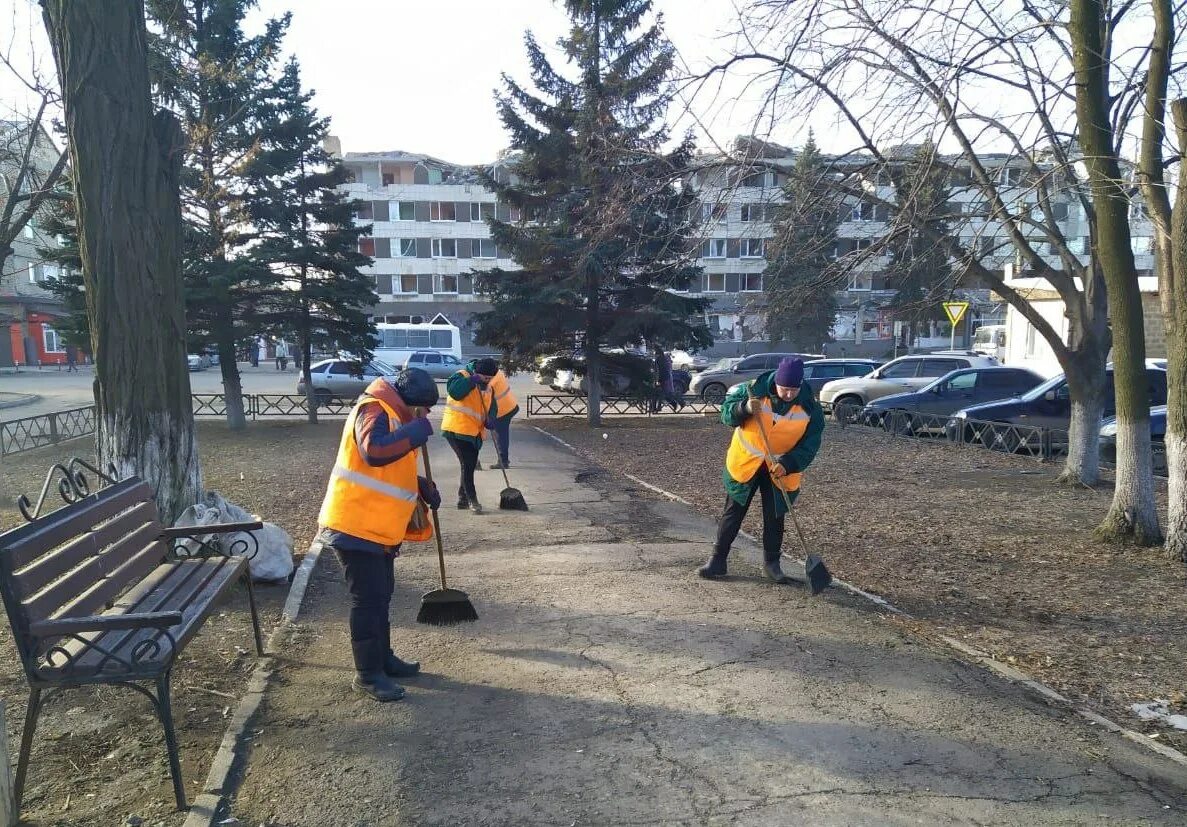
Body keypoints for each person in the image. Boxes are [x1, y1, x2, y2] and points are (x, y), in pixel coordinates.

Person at [316, 368, 441, 702]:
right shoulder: (373, 409)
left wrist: (420, 486)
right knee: (368, 603)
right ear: (411, 403)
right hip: (355, 525)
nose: (427, 415)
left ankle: (383, 659)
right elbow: (374, 452)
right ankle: (368, 675)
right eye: (425, 409)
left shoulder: (393, 414)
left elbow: (391, 467)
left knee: (381, 597)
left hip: (377, 528)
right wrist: (416, 432)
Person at [697, 357, 824, 583]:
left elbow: (811, 443)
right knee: (733, 512)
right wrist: (743, 408)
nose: (788, 394)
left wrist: (789, 463)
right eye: (784, 389)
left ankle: (771, 565)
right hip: (747, 462)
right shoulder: (753, 390)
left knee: (775, 517)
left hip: (780, 468)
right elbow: (726, 415)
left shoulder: (810, 406)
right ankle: (717, 560)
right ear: (776, 381)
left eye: (793, 390)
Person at [442, 356, 498, 513]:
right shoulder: (461, 376)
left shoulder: (488, 387)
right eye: (485, 377)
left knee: (468, 465)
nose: (487, 380)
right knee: (468, 464)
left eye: (490, 378)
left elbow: (492, 406)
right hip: (456, 429)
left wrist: (491, 419)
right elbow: (455, 392)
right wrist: (473, 380)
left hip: (474, 432)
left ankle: (463, 499)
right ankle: (472, 500)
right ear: (478, 372)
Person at [486, 367, 519, 469]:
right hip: (512, 406)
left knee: (500, 435)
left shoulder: (490, 385)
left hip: (502, 411)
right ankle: (504, 460)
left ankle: (503, 461)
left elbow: (485, 402)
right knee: (502, 434)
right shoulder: (498, 373)